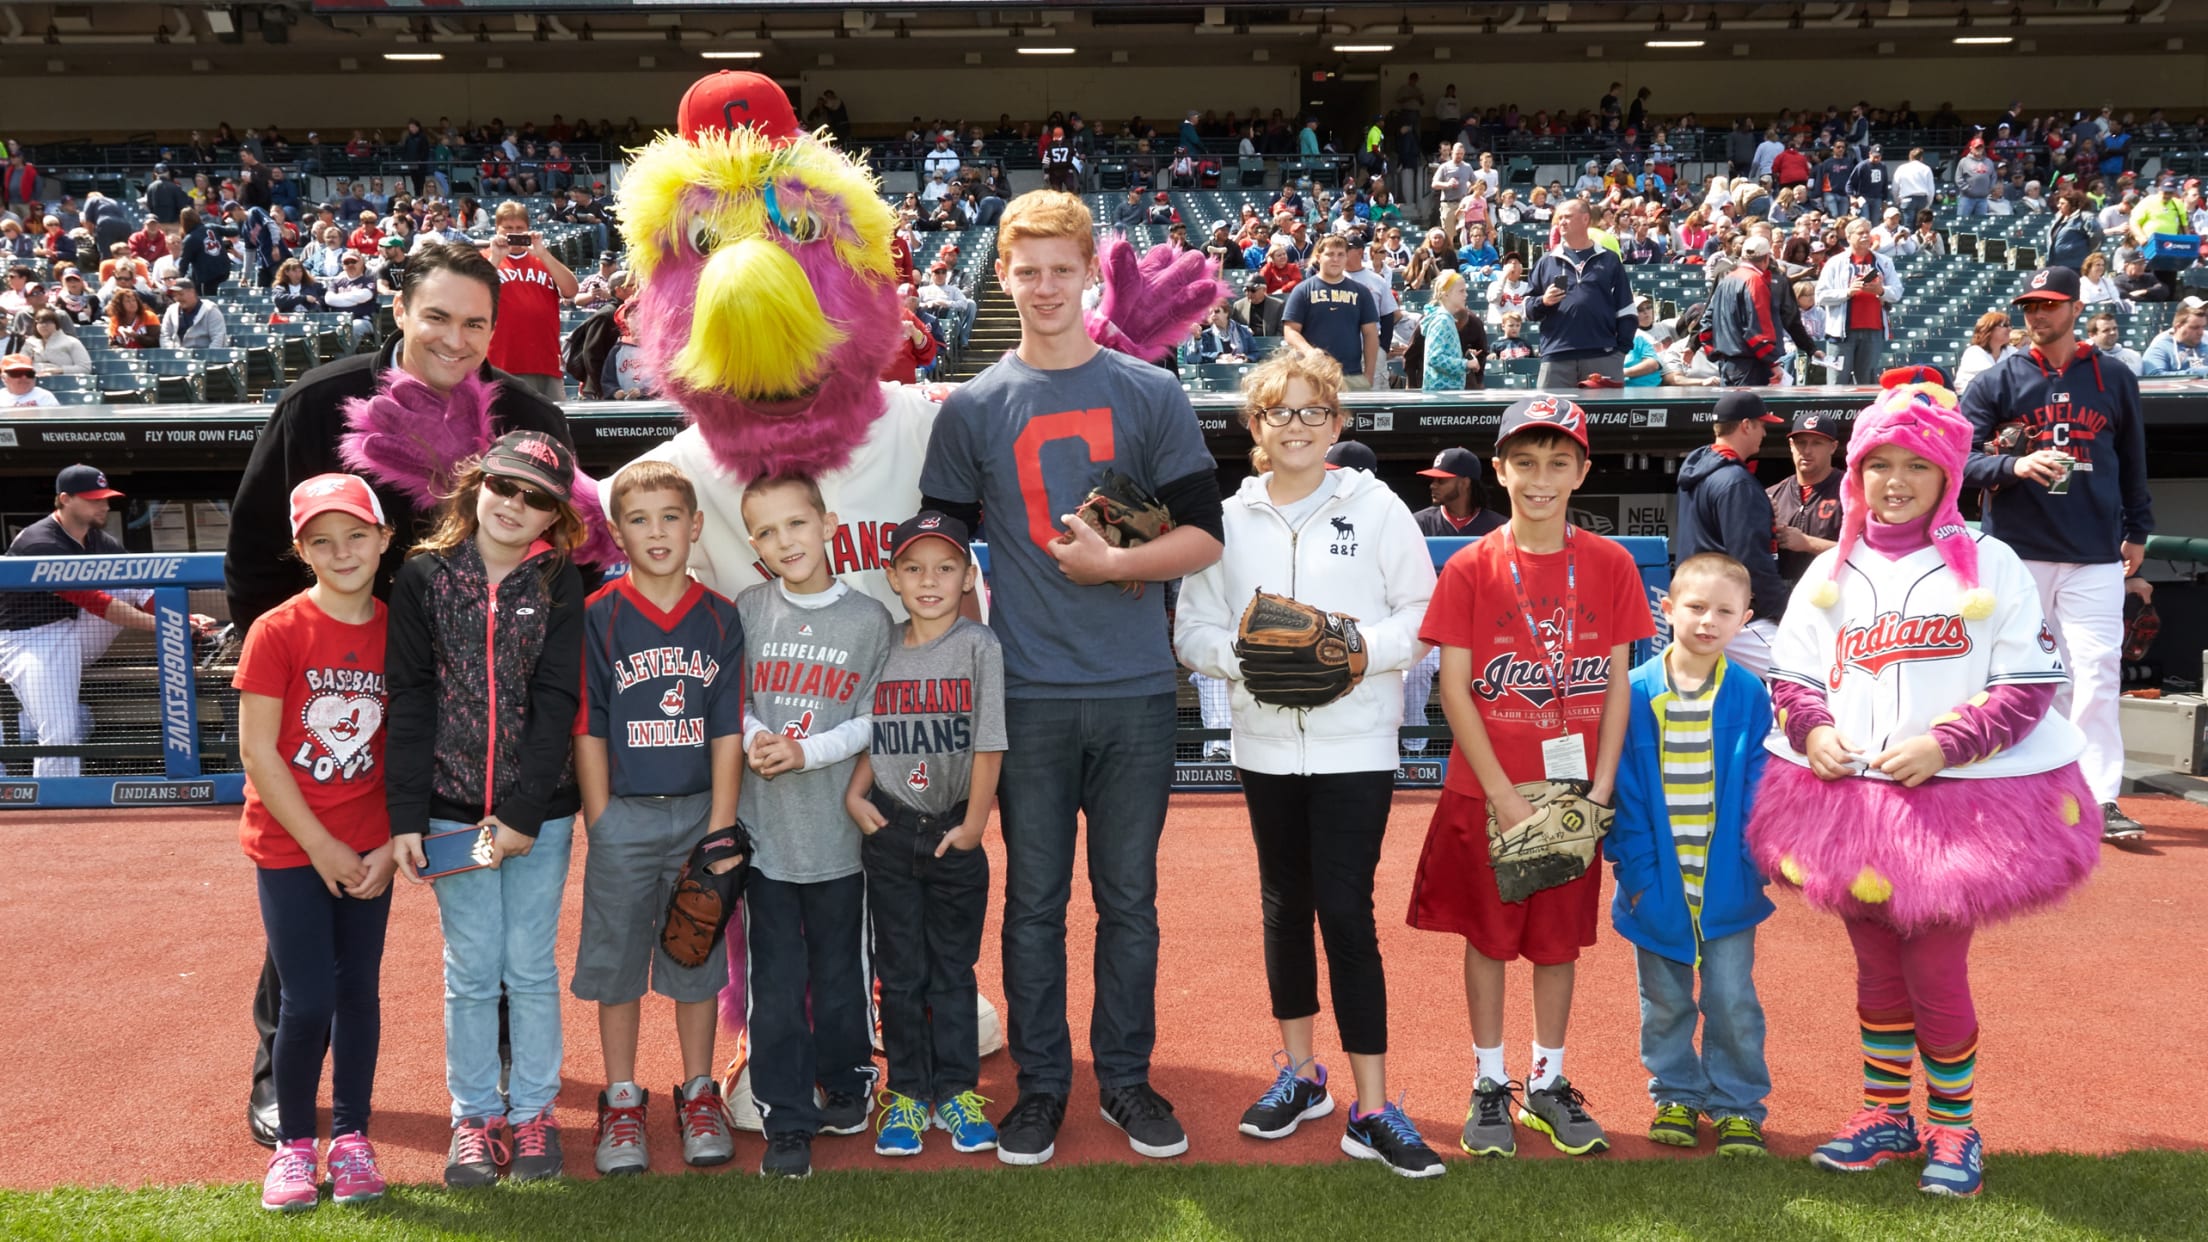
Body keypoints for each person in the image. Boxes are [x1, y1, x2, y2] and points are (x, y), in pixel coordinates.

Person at [227, 242, 574, 1150]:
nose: (455, 339)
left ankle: (501, 1079)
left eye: (475, 323)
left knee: (492, 907)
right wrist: (296, 665)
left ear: (497, 329)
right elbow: (256, 546)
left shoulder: (528, 415)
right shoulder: (318, 402)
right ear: (400, 311)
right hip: (343, 694)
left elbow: (564, 556)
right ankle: (283, 1076)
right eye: (438, 317)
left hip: (484, 716)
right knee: (318, 881)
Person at [918, 190, 1225, 1166]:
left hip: (1135, 689)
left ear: (1091, 274)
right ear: (1001, 277)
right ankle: (1045, 1086)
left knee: (1129, 898)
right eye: (1027, 270)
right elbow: (942, 541)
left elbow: (1202, 536)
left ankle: (1126, 1079)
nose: (1045, 287)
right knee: (1036, 902)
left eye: (1062, 269)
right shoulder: (971, 407)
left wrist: (1116, 567)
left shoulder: (1151, 393)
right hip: (1031, 694)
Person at [1749, 380, 2102, 1199]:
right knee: (1875, 968)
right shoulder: (1834, 569)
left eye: (1918, 465)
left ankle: (1954, 1125)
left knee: (1936, 971)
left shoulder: (1994, 561)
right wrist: (1816, 732)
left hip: (1958, 800)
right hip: (1848, 799)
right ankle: (1886, 1114)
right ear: (1857, 473)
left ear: (1949, 476)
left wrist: (1948, 743)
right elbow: (1795, 674)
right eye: (1880, 465)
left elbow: (2027, 684)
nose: (1896, 481)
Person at [1174, 349, 1444, 1177]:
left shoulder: (1378, 505)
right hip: (1263, 744)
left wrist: (1350, 649)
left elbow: (1422, 612)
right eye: (1279, 413)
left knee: (1345, 909)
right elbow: (1192, 630)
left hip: (1354, 743)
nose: (1297, 426)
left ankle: (1373, 1105)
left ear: (1338, 422)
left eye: (1313, 412)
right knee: (1285, 906)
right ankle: (1300, 1075)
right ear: (1255, 426)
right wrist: (1249, 657)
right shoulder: (1229, 517)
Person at [1407, 396, 1656, 1160]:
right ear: (1500, 469)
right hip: (1488, 792)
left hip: (1575, 793)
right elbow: (1454, 689)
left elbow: (1617, 684)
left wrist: (1602, 788)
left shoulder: (1610, 563)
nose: (1540, 479)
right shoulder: (1473, 565)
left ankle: (1548, 1081)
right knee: (1487, 940)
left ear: (1583, 470)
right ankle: (1490, 1082)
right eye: (1525, 462)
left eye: (1557, 462)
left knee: (1556, 946)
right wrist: (1509, 798)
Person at [386, 431, 588, 1187]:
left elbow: (557, 698)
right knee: (472, 970)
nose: (515, 505)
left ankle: (533, 1114)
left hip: (541, 815)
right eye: (504, 486)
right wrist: (407, 814)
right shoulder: (423, 576)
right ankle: (474, 1116)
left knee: (530, 965)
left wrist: (524, 815)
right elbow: (409, 697)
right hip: (450, 812)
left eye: (537, 498)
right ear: (477, 487)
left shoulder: (562, 581)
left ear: (555, 518)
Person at [572, 460, 747, 1178]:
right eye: (639, 520)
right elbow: (589, 725)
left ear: (695, 527)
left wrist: (724, 829)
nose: (657, 532)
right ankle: (621, 1098)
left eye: (671, 517)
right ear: (617, 534)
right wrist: (600, 817)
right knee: (618, 965)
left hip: (700, 814)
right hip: (628, 815)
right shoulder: (600, 614)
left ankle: (699, 1091)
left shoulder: (719, 617)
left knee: (695, 953)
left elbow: (727, 729)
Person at [236, 474, 398, 1212]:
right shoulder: (278, 630)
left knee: (358, 990)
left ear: (384, 539)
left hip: (371, 848)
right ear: (302, 551)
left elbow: (411, 746)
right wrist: (323, 847)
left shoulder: (400, 629)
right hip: (293, 846)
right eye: (323, 541)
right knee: (307, 998)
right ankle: (296, 1144)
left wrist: (390, 843)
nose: (343, 552)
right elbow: (259, 753)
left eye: (357, 535)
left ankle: (355, 1138)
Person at [731, 473, 894, 1178]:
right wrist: (755, 739)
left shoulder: (869, 621)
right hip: (765, 837)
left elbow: (873, 721)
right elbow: (728, 700)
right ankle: (786, 1117)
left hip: (837, 837)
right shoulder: (747, 608)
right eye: (765, 533)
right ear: (753, 545)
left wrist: (806, 752)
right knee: (775, 982)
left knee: (840, 977)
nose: (782, 542)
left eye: (794, 525)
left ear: (828, 525)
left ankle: (850, 1086)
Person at [1961, 267, 2154, 843]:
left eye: (2049, 305)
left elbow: (2134, 460)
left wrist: (2138, 529)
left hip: (2095, 551)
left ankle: (2099, 795)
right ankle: (2024, 786)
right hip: (2018, 554)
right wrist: (2012, 465)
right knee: (2023, 675)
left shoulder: (2113, 376)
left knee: (2097, 671)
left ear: (2074, 307)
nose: (2037, 315)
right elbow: (1957, 460)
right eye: (2029, 306)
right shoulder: (1997, 381)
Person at [848, 511, 1007, 1160]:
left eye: (945, 567)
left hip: (952, 831)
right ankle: (908, 1093)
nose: (930, 580)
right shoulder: (881, 643)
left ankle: (957, 1091)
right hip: (890, 828)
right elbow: (871, 729)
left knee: (951, 970)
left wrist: (974, 825)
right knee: (901, 972)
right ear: (892, 577)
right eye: (913, 568)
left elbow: (989, 741)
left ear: (968, 576)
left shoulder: (979, 646)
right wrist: (855, 792)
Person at [1608, 553, 1775, 1157]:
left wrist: (1752, 864)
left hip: (1728, 882)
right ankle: (1676, 1094)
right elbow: (1623, 795)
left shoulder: (1751, 694)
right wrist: (1641, 878)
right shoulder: (1632, 692)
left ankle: (1737, 1105)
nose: (1708, 621)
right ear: (1667, 608)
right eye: (1696, 607)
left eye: (1724, 612)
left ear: (1745, 620)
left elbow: (1761, 789)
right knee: (1666, 1000)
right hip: (1656, 884)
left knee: (1732, 999)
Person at [0, 465, 191, 777]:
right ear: (65, 499)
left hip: (74, 633)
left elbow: (140, 588)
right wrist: (167, 627)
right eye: (93, 499)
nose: (103, 505)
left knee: (128, 580)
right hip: (27, 641)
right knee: (63, 732)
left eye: (105, 498)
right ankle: (56, 810)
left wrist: (185, 619)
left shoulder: (101, 541)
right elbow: (96, 603)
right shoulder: (39, 541)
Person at [1673, 390, 1791, 678]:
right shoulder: (1736, 481)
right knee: (1808, 678)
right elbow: (1749, 560)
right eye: (1762, 425)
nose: (1764, 432)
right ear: (1746, 425)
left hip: (1697, 608)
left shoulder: (1701, 465)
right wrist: (1784, 609)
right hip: (1734, 616)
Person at [1527, 199, 1637, 389]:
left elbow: (1626, 310)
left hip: (1602, 356)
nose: (1562, 222)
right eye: (1560, 218)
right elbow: (1527, 308)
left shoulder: (1609, 260)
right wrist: (1543, 301)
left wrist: (1619, 353)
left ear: (1585, 219)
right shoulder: (1547, 261)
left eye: (1568, 217)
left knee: (1603, 417)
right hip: (1556, 356)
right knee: (1554, 417)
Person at [482, 202, 579, 402]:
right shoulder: (485, 258)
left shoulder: (542, 258)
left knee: (551, 427)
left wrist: (543, 253)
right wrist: (496, 258)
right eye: (508, 228)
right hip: (501, 361)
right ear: (497, 229)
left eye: (519, 229)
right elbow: (474, 293)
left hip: (545, 361)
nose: (514, 233)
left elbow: (571, 290)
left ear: (528, 229)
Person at [1282, 235, 1382, 390]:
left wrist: (1369, 374)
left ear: (1346, 257)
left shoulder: (1361, 292)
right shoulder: (1303, 290)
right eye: (1330, 254)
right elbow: (1290, 330)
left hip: (1351, 376)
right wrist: (1309, 352)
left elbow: (1370, 334)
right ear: (1319, 257)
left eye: (1340, 254)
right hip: (1311, 376)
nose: (1335, 259)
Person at [1815, 220, 1903, 385]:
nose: (1865, 236)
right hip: (1841, 334)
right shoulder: (1835, 262)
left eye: (1867, 232)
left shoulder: (1884, 261)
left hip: (1874, 330)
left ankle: (1866, 412)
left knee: (1867, 384)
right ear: (1848, 237)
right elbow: (1820, 296)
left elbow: (1897, 292)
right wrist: (1847, 292)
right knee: (1836, 381)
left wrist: (1881, 291)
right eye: (1860, 233)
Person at [1768, 412, 1845, 586]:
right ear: (1791, 445)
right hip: (1784, 596)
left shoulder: (1851, 491)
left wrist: (1808, 543)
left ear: (1833, 447)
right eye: (1801, 443)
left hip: (1834, 592)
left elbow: (1866, 554)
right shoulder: (1773, 494)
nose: (1807, 451)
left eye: (1817, 443)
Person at [1709, 236, 1785, 387]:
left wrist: (1714, 352)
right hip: (1750, 365)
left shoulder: (1727, 279)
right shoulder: (1755, 281)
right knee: (1750, 410)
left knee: (1732, 410)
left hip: (1726, 362)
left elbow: (1707, 321)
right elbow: (1756, 330)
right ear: (1766, 258)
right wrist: (1772, 363)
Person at [1419, 271, 1473, 391]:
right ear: (1446, 294)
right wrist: (1466, 364)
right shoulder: (1442, 321)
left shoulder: (1447, 319)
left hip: (1446, 395)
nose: (1466, 295)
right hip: (1441, 397)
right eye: (1461, 291)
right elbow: (1435, 358)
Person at [1953, 311, 2013, 394]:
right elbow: (1992, 378)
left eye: (2010, 326)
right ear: (1989, 329)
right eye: (2005, 326)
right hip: (1972, 400)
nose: (2010, 329)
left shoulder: (2011, 351)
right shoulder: (1974, 352)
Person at [2140, 304, 2208, 376]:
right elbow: (2155, 375)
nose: (2200, 332)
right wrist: (2197, 373)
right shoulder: (2160, 349)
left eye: (2203, 327)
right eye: (2195, 327)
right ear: (2178, 327)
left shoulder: (2205, 348)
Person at [159, 280, 229, 349]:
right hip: (177, 356)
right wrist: (171, 354)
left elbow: (218, 338)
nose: (178, 298)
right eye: (174, 296)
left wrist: (210, 358)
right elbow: (165, 336)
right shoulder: (171, 310)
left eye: (181, 294)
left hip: (203, 355)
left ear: (192, 292)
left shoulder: (210, 309)